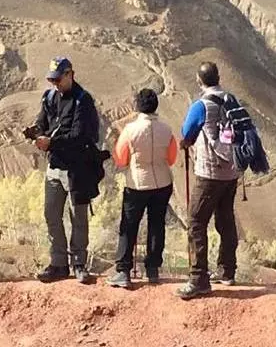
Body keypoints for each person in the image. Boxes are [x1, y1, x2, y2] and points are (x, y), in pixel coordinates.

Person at [176, 61, 242, 300]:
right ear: (218, 77)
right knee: (225, 219)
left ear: (199, 80)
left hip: (209, 174)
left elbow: (186, 133)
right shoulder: (231, 100)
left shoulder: (201, 105)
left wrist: (186, 142)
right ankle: (227, 270)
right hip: (232, 171)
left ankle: (198, 278)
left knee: (195, 221)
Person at [32, 57, 100, 285]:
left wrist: (50, 143)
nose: (55, 84)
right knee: (51, 214)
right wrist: (37, 135)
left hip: (77, 169)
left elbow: (80, 136)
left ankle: (79, 264)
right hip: (54, 166)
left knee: (78, 217)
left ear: (70, 74)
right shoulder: (49, 97)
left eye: (58, 79)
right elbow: (42, 122)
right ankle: (58, 263)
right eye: (51, 79)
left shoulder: (84, 101)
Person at [106, 89, 177, 289]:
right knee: (157, 224)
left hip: (136, 184)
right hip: (162, 183)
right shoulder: (167, 130)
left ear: (137, 107)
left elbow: (120, 159)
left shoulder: (129, 130)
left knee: (129, 226)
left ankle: (123, 271)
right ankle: (153, 269)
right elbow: (171, 159)